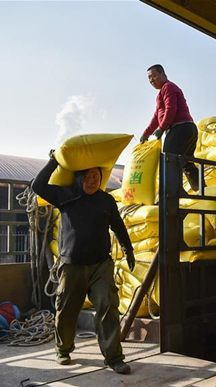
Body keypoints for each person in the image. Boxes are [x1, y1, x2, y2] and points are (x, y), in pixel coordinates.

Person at [32, 152, 136, 374]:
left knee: (108, 305)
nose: (91, 181)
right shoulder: (65, 195)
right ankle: (63, 349)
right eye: (87, 177)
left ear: (101, 179)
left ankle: (114, 357)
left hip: (101, 265)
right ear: (79, 178)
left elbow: (117, 226)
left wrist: (129, 249)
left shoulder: (106, 200)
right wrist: (53, 162)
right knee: (67, 310)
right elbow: (37, 186)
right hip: (72, 265)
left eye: (96, 177)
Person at [140, 64, 203, 191]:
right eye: (149, 78)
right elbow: (156, 116)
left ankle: (171, 196)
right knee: (186, 163)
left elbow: (171, 109)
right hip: (188, 129)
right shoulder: (160, 94)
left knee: (168, 162)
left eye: (154, 76)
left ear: (163, 74)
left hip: (180, 129)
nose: (151, 80)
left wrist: (162, 128)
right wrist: (146, 133)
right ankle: (201, 189)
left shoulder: (168, 87)